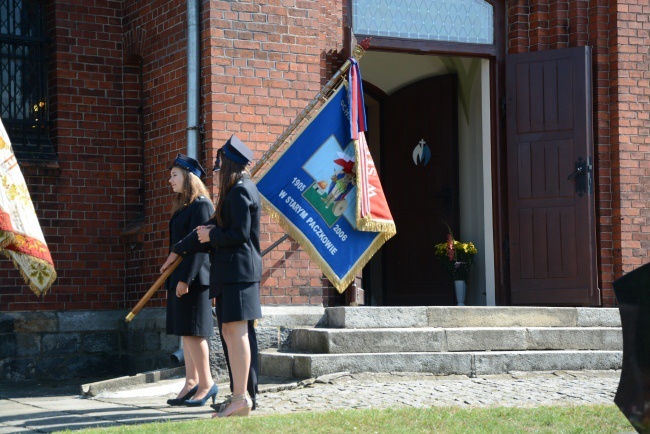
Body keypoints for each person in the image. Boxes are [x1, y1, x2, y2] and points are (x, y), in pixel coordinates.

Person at [162, 135, 262, 418]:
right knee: (231, 331)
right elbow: (212, 225)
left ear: (229, 164)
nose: (216, 171)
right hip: (230, 273)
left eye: (219, 166)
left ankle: (242, 398)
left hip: (240, 272)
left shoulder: (241, 191)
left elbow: (238, 233)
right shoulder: (235, 190)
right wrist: (179, 249)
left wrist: (211, 235)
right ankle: (238, 396)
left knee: (237, 331)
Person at [163, 154, 218, 407]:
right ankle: (191, 381)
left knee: (195, 333)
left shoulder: (202, 205)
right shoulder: (184, 206)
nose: (170, 180)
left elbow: (199, 246)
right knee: (186, 332)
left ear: (188, 176)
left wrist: (185, 279)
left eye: (174, 174)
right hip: (180, 278)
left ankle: (207, 384)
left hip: (194, 280)